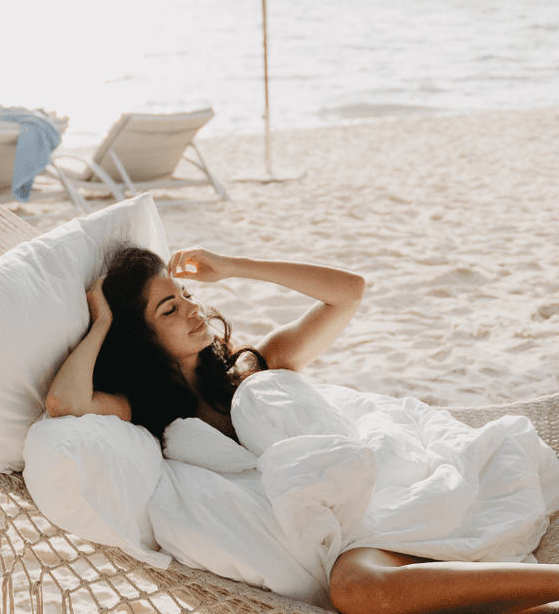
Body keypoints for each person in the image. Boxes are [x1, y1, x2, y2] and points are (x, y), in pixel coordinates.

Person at [46, 244, 559, 614]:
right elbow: (63, 403)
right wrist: (103, 323)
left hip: (385, 491)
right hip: (332, 540)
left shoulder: (258, 365)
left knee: (356, 590)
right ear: (142, 337)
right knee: (356, 589)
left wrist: (233, 266)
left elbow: (348, 293)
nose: (192, 309)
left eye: (185, 295)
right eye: (170, 308)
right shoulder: (145, 411)